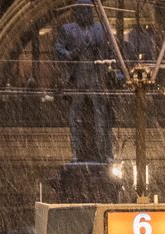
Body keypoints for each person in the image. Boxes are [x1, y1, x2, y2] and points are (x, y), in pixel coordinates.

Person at [54, 0, 115, 163]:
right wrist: (72, 53)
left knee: (100, 116)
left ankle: (102, 151)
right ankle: (76, 151)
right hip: (77, 78)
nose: (85, 13)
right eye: (82, 10)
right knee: (75, 116)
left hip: (97, 78)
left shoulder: (101, 29)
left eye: (87, 10)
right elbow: (58, 49)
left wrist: (111, 69)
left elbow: (112, 51)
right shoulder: (67, 29)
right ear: (76, 11)